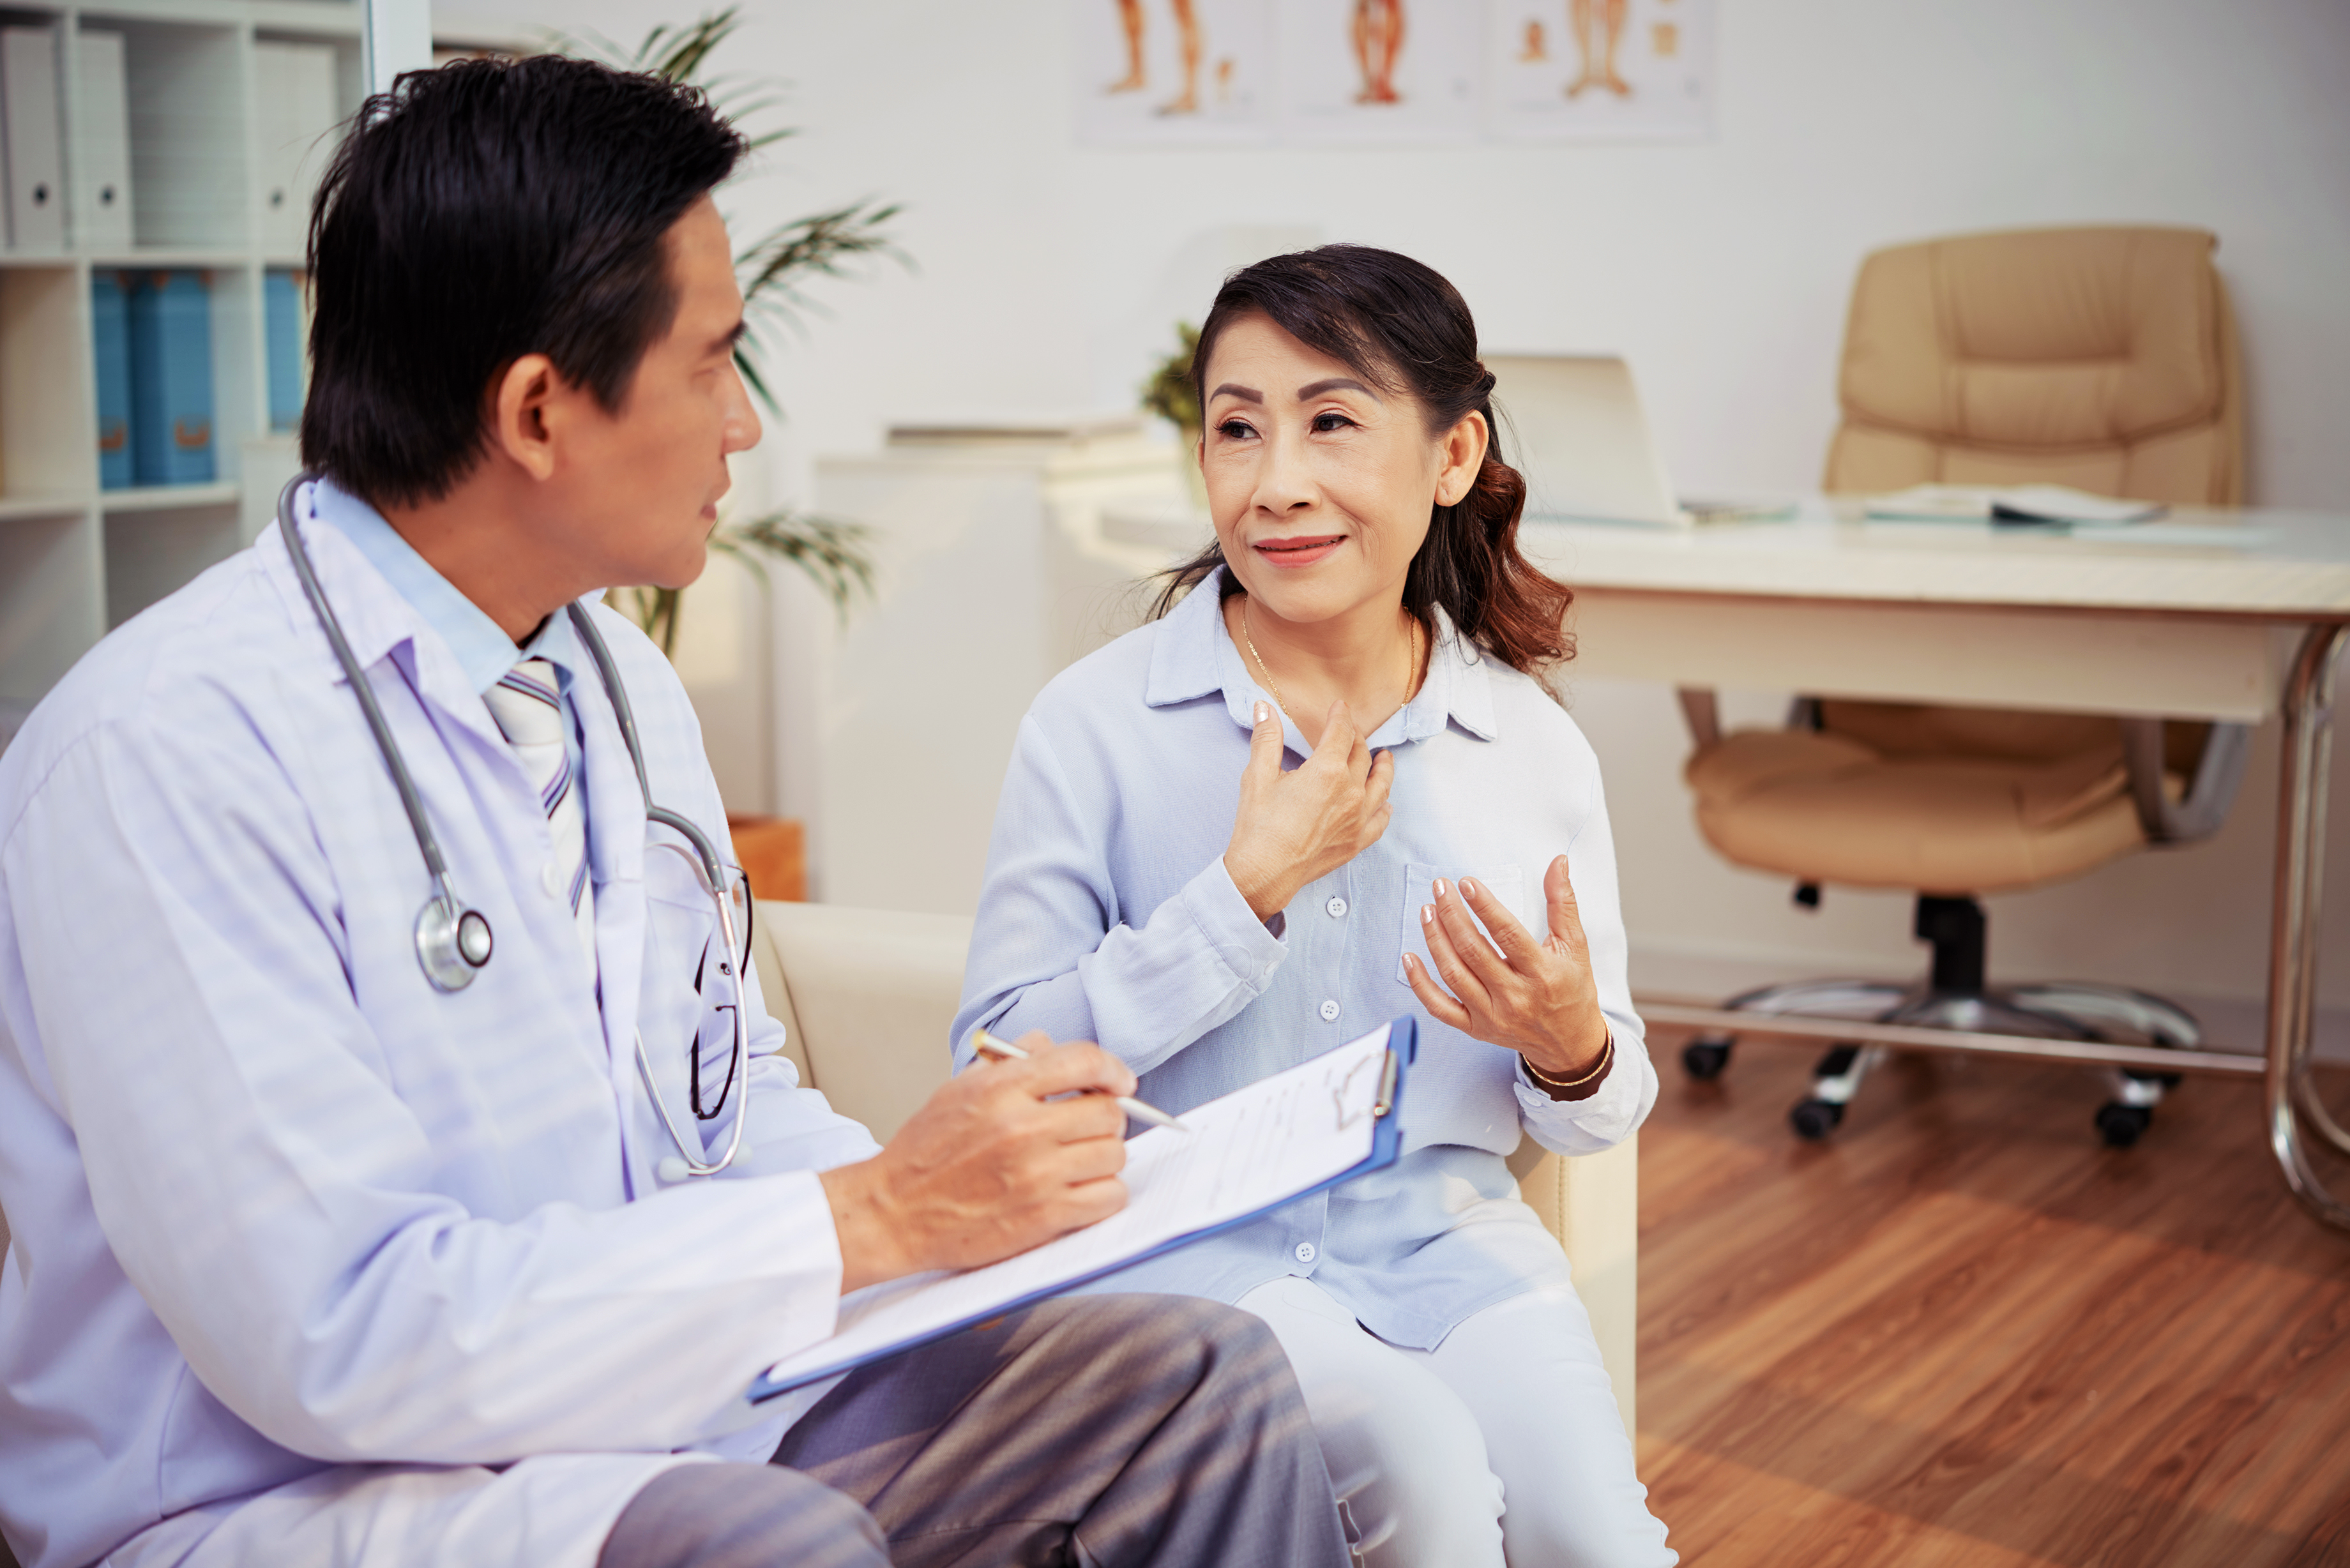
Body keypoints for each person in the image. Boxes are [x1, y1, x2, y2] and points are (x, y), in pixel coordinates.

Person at [0, 57, 1351, 1568]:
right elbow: (342, 1334)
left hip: (664, 1413)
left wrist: (979, 1221)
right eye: (713, 363)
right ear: (536, 411)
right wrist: (873, 1218)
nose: (745, 424)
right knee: (763, 1545)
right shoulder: (163, 755)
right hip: (285, 1500)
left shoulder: (613, 683)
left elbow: (729, 1100)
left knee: (1195, 1382)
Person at [955, 245, 1676, 1567]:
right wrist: (1243, 896)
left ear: (1453, 456)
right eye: (1237, 429)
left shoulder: (1529, 745)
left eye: (1331, 422)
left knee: (1599, 1540)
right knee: (1428, 1483)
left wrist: (1567, 1041)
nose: (1276, 480)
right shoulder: (1094, 725)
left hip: (1446, 1246)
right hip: (1176, 1246)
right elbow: (992, 1067)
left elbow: (1603, 1104)